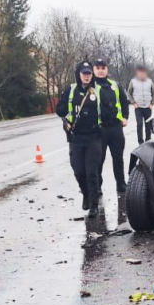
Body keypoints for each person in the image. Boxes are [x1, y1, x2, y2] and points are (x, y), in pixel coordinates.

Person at [56, 61, 103, 217]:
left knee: (92, 172)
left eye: (89, 73)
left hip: (93, 137)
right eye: (84, 73)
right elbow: (60, 110)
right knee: (79, 171)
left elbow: (108, 110)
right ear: (79, 74)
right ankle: (86, 194)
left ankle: (94, 204)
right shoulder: (70, 90)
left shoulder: (98, 91)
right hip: (76, 137)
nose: (86, 76)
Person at [93, 58, 130, 193]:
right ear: (94, 70)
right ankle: (97, 187)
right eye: (98, 68)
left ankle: (121, 184)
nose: (101, 71)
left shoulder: (114, 85)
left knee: (118, 159)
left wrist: (125, 117)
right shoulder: (90, 86)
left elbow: (124, 101)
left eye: (103, 68)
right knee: (99, 160)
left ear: (107, 69)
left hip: (115, 128)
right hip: (99, 129)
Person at [127, 65, 154, 145]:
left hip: (148, 107)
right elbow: (129, 93)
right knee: (139, 124)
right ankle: (140, 142)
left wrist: (152, 103)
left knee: (148, 125)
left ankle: (148, 141)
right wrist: (133, 102)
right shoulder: (133, 81)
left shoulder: (149, 81)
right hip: (138, 108)